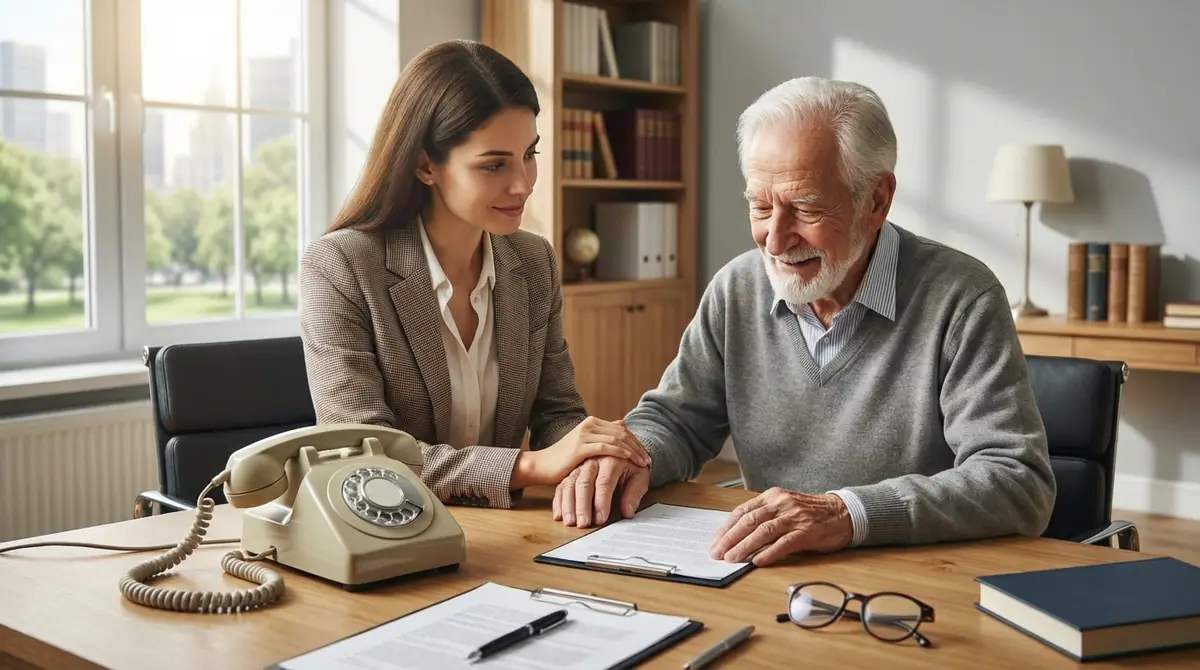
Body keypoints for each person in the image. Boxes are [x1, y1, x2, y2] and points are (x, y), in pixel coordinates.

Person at [550, 76, 1057, 564]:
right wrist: (628, 456)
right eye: (760, 206)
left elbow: (1018, 481)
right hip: (768, 568)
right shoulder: (737, 287)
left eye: (806, 209)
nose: (774, 240)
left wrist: (846, 514)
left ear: (876, 200)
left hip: (911, 581)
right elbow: (677, 421)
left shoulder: (962, 296)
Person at [299, 39, 648, 510]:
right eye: (494, 164)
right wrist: (527, 467)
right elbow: (361, 451)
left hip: (508, 532)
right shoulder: (340, 266)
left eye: (530, 154)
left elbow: (558, 413)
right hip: (393, 533)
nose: (522, 184)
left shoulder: (534, 262)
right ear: (426, 164)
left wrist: (591, 457)